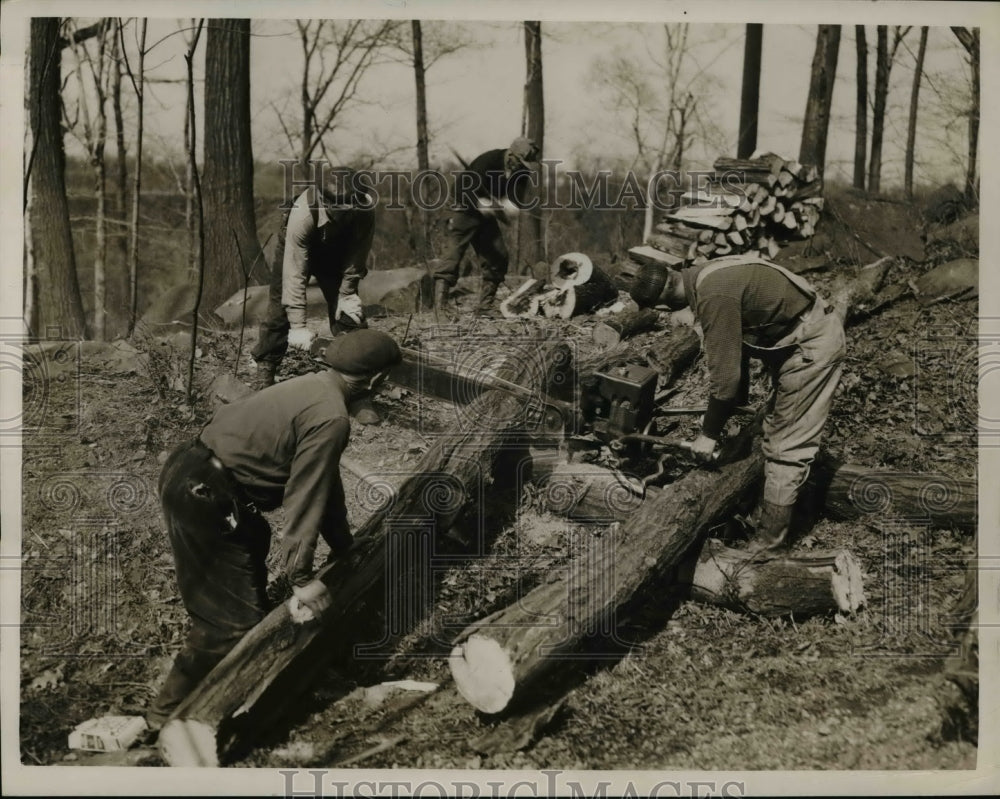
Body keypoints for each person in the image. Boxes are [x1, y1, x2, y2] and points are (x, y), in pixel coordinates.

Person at [146, 329, 402, 731]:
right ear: (377, 380)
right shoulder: (331, 416)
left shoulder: (314, 387)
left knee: (252, 543)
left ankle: (225, 683)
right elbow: (305, 496)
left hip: (196, 471)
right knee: (230, 623)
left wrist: (343, 546)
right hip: (205, 492)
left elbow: (323, 479)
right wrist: (301, 577)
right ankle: (165, 720)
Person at [629, 254, 846, 553]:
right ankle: (764, 508)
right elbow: (737, 340)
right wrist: (735, 403)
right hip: (797, 333)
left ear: (664, 302)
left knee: (785, 447)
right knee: (770, 428)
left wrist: (708, 435)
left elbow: (725, 380)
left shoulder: (712, 295)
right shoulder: (704, 274)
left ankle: (767, 547)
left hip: (810, 345)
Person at [251, 169, 374, 394]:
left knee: (349, 316)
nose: (348, 214)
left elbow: (358, 254)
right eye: (341, 210)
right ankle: (266, 369)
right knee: (279, 309)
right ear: (325, 202)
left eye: (352, 209)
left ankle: (355, 381)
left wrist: (347, 294)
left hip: (336, 252)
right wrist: (298, 326)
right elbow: (294, 274)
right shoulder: (303, 214)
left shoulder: (364, 209)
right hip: (297, 249)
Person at [433, 136, 540, 313]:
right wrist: (479, 203)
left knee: (498, 256)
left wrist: (508, 205)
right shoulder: (488, 160)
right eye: (519, 163)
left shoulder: (522, 172)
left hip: (487, 214)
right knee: (452, 254)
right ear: (510, 155)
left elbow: (516, 198)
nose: (521, 168)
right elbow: (461, 188)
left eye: (525, 166)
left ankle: (485, 307)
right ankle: (440, 306)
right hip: (463, 208)